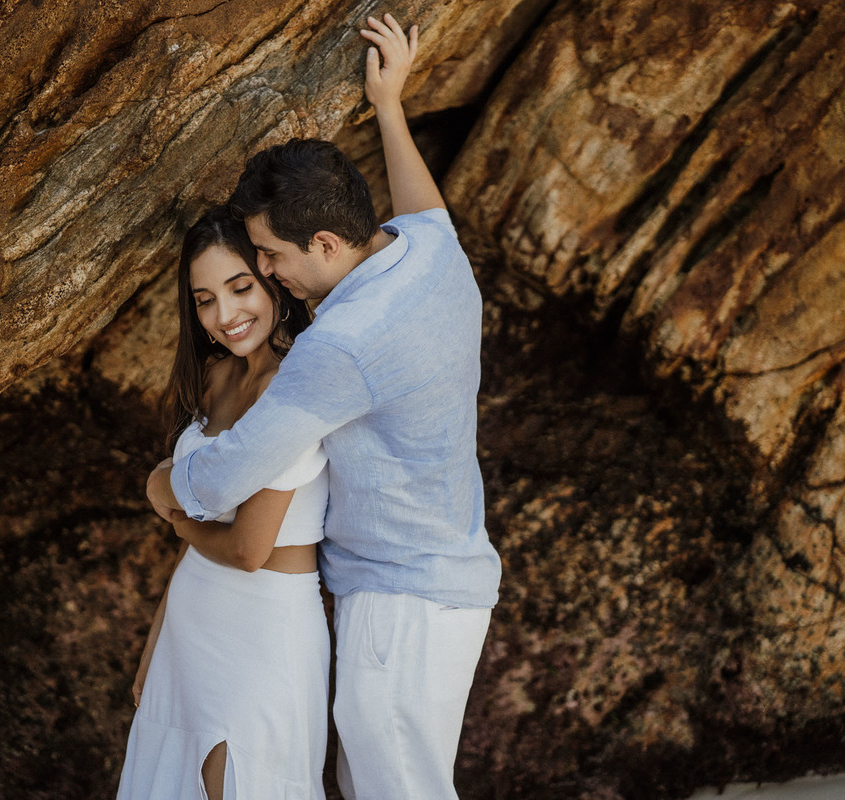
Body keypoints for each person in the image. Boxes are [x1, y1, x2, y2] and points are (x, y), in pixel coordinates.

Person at [146, 13, 503, 800]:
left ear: (328, 245)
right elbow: (423, 207)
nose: (269, 273)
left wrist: (165, 490)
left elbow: (224, 479)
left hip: (399, 603)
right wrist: (389, 104)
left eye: (271, 257)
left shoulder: (339, 345)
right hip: (445, 581)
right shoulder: (429, 253)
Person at [116, 204, 330, 799]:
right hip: (191, 615)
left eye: (240, 288)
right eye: (205, 299)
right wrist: (156, 643)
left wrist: (175, 514)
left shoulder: (294, 386)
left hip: (265, 628)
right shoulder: (214, 376)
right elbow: (200, 551)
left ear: (273, 279)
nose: (225, 315)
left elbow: (245, 551)